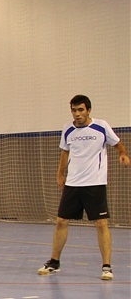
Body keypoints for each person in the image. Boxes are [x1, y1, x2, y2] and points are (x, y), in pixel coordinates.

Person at [38, 94, 129, 281]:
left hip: (95, 183)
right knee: (61, 221)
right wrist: (60, 174)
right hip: (73, 183)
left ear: (88, 110)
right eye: (73, 110)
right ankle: (54, 262)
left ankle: (106, 266)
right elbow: (65, 152)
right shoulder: (67, 129)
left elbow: (118, 144)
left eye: (80, 110)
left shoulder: (101, 126)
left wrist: (123, 154)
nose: (77, 114)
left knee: (101, 223)